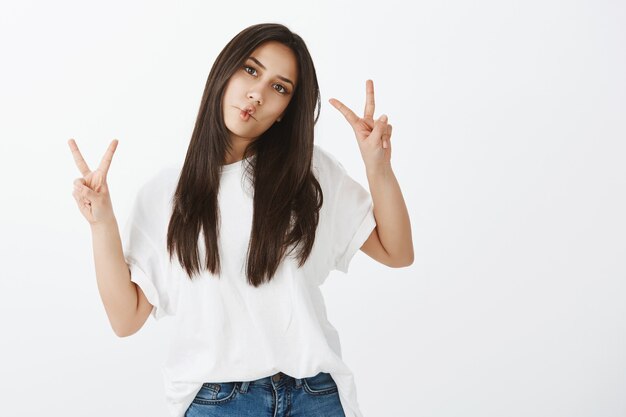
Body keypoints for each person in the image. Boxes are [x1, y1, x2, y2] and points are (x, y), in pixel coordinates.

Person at [69, 22, 413, 417]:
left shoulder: (309, 173)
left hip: (314, 396)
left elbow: (397, 252)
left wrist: (378, 166)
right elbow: (125, 319)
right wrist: (102, 224)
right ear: (225, 71)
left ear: (287, 111)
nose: (258, 93)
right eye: (251, 70)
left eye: (279, 88)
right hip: (218, 401)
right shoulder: (166, 192)